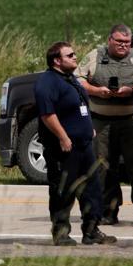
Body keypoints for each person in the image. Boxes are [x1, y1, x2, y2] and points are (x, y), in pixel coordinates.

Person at [35, 41, 117, 246]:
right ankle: (61, 232)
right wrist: (63, 137)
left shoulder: (70, 79)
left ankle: (91, 231)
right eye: (69, 55)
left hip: (84, 145)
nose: (74, 57)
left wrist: (88, 127)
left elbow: (79, 106)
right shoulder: (47, 82)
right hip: (64, 148)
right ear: (56, 60)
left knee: (92, 189)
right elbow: (47, 114)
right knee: (63, 190)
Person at [75, 23, 133, 225]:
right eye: (119, 41)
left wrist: (131, 90)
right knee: (104, 167)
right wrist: (97, 91)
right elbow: (78, 79)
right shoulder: (95, 56)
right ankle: (109, 210)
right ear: (109, 40)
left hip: (130, 121)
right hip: (101, 121)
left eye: (127, 42)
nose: (123, 45)